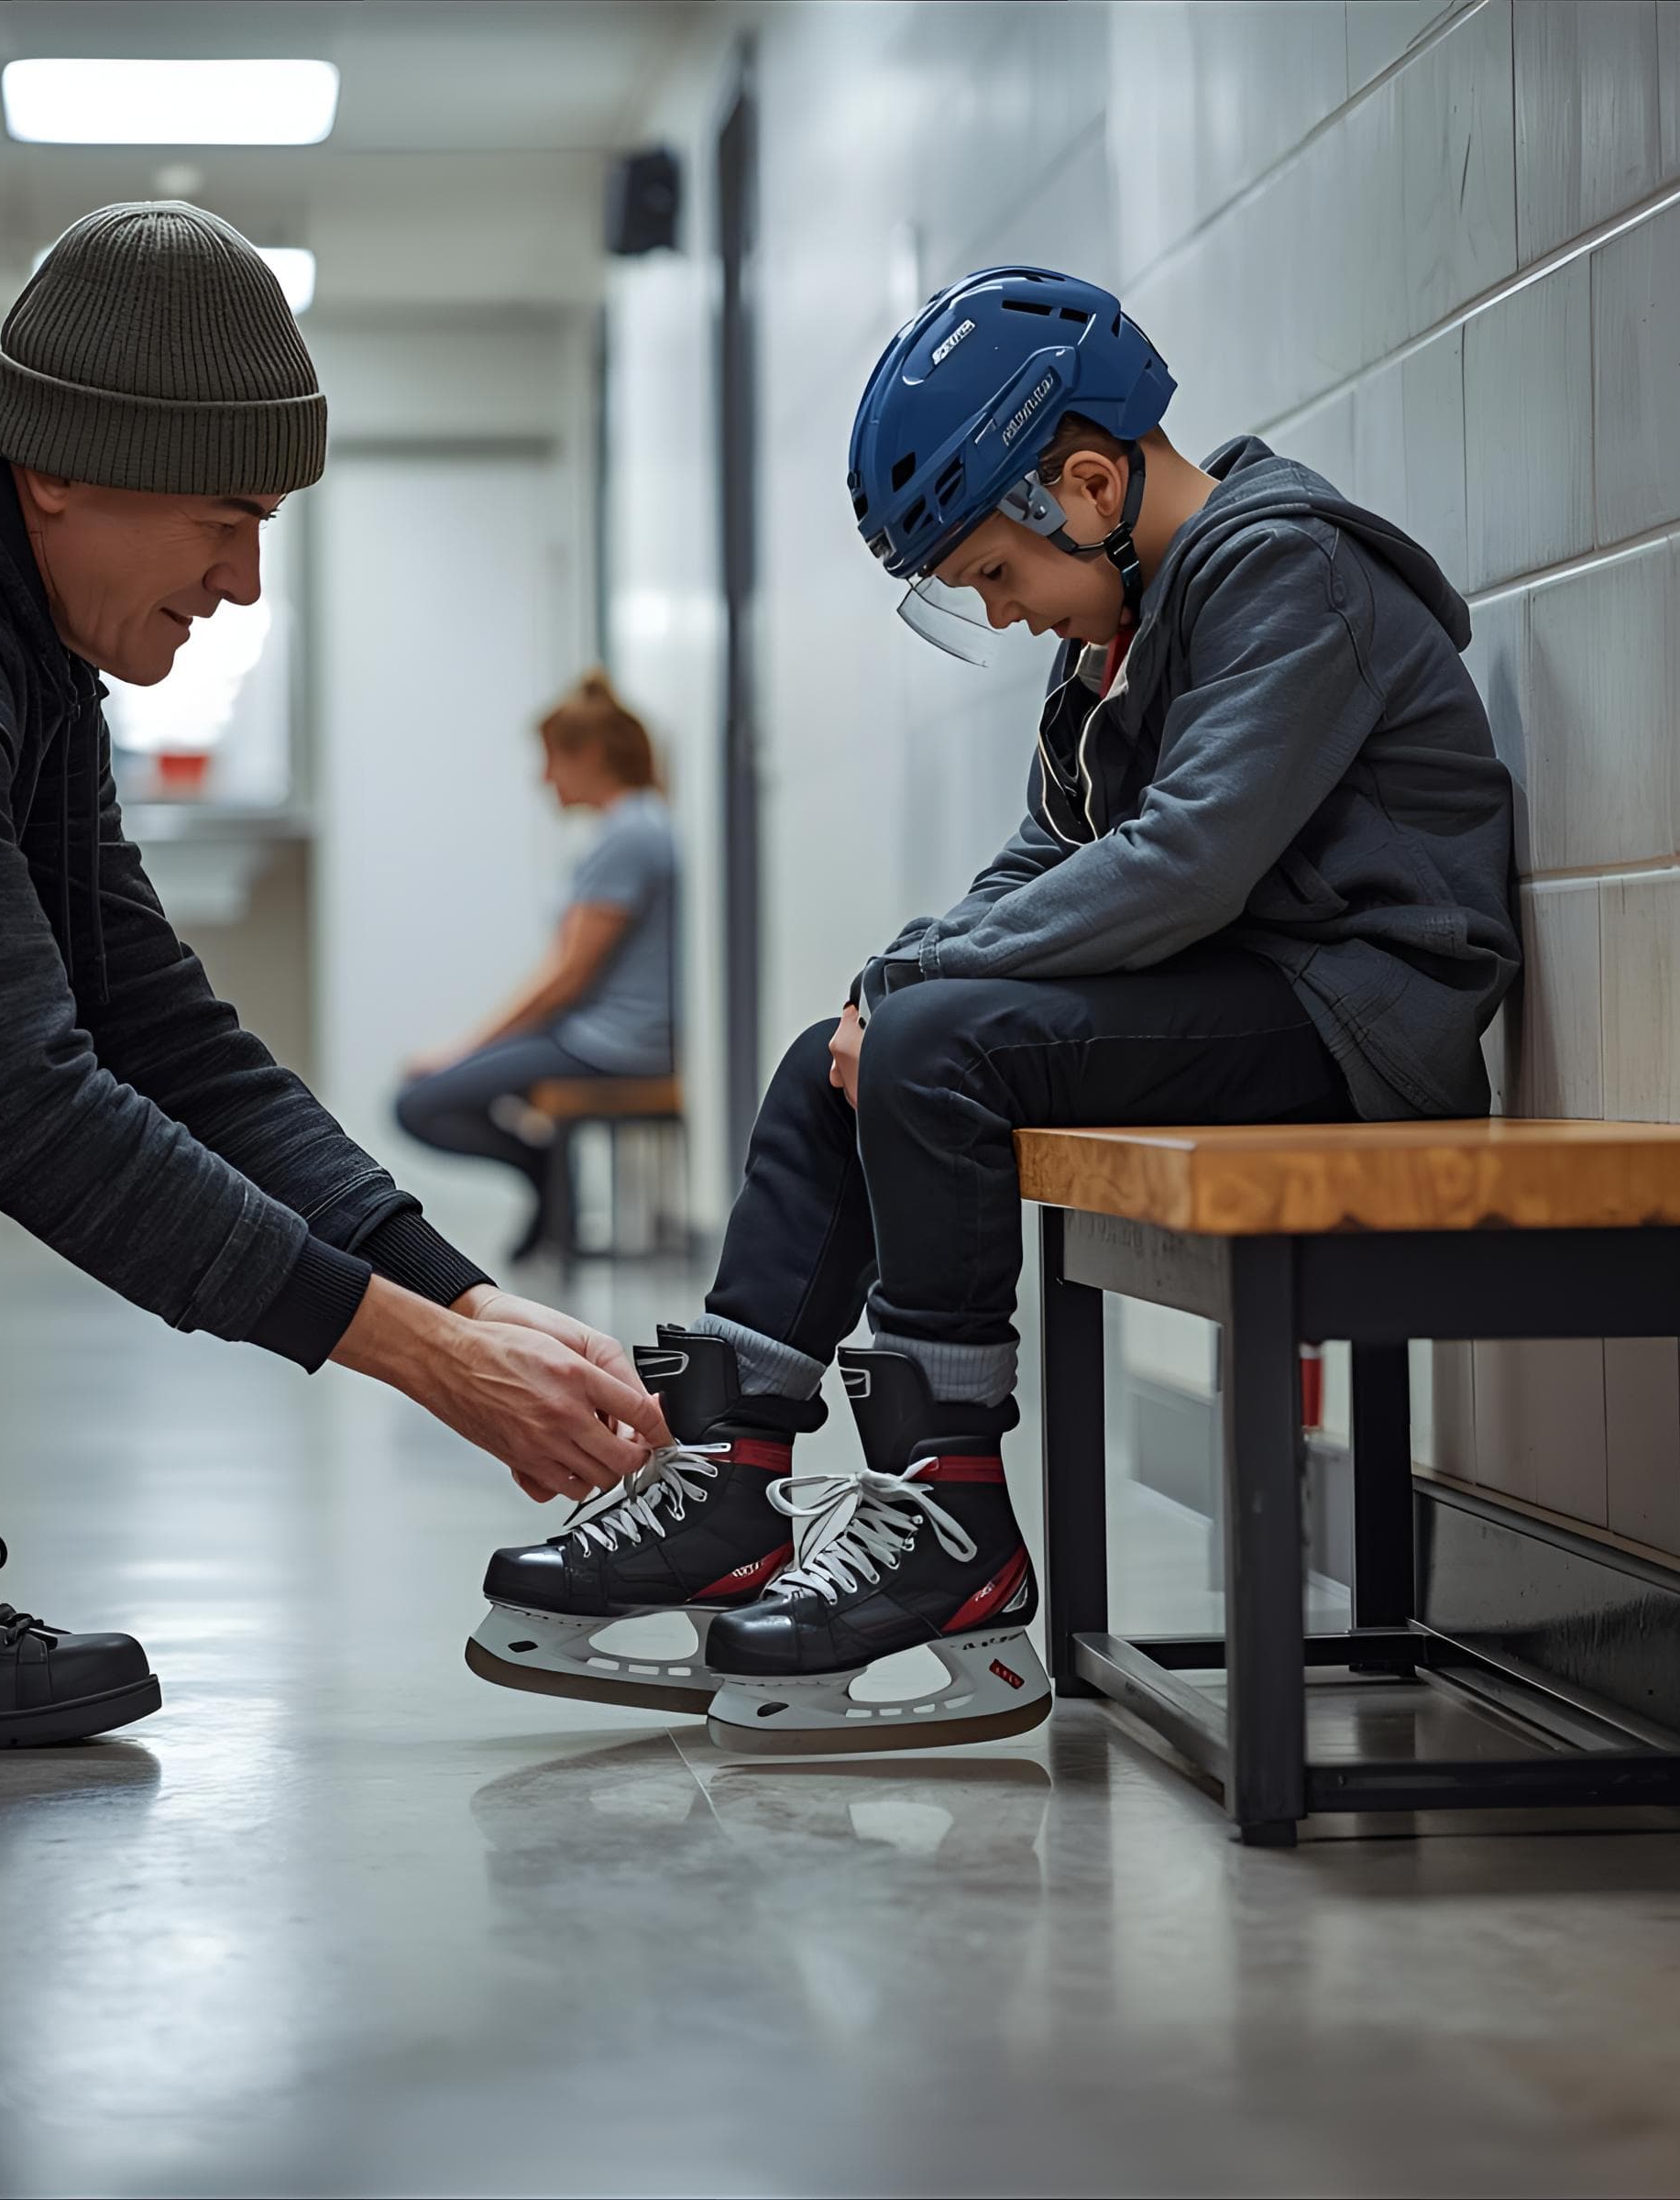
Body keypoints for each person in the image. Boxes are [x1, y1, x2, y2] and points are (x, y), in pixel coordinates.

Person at [0, 202, 667, 1753]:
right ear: (61, 467)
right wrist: (420, 1357)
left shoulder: (5, 641)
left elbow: (156, 1025)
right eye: (226, 516)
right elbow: (18, 1092)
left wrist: (460, 1290)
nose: (245, 583)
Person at [466, 264, 1520, 1754]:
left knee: (927, 1038)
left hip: (1362, 1013)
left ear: (1088, 480)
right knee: (832, 1057)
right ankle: (729, 1480)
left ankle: (952, 1521)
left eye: (996, 577)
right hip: (1249, 986)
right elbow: (1057, 850)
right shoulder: (1124, 625)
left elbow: (1190, 861)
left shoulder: (1286, 570)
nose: (1001, 612)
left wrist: (913, 990)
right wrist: (885, 974)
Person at [395, 673, 676, 1259]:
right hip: (598, 1032)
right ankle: (547, 1181)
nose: (543, 777)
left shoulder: (628, 836)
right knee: (441, 1090)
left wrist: (464, 1050)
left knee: (419, 1103)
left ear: (591, 755)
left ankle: (543, 1172)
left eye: (552, 760)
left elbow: (567, 977)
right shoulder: (638, 826)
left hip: (613, 1044)